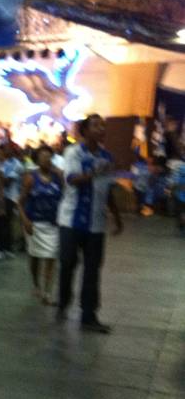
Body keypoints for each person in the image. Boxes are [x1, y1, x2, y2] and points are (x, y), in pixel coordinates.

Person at [57, 114, 123, 334]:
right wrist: (96, 171)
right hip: (71, 220)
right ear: (84, 130)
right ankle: (63, 300)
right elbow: (72, 179)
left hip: (96, 224)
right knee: (68, 263)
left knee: (93, 269)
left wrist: (117, 217)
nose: (101, 129)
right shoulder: (73, 153)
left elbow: (108, 190)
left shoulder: (107, 156)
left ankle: (89, 315)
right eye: (96, 125)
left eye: (103, 126)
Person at [18, 145, 63, 305]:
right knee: (35, 257)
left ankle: (47, 293)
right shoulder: (31, 178)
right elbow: (20, 202)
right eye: (43, 157)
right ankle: (36, 284)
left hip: (53, 224)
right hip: (34, 224)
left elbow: (66, 195)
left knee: (51, 257)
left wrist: (61, 175)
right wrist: (25, 220)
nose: (46, 159)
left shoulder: (57, 177)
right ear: (37, 160)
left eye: (49, 156)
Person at [0, 143, 24, 256]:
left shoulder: (17, 165)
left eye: (8, 149)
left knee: (9, 223)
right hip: (3, 196)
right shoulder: (4, 163)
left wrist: (1, 178)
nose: (5, 151)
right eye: (5, 149)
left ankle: (8, 248)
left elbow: (6, 181)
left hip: (12, 197)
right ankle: (3, 248)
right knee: (3, 223)